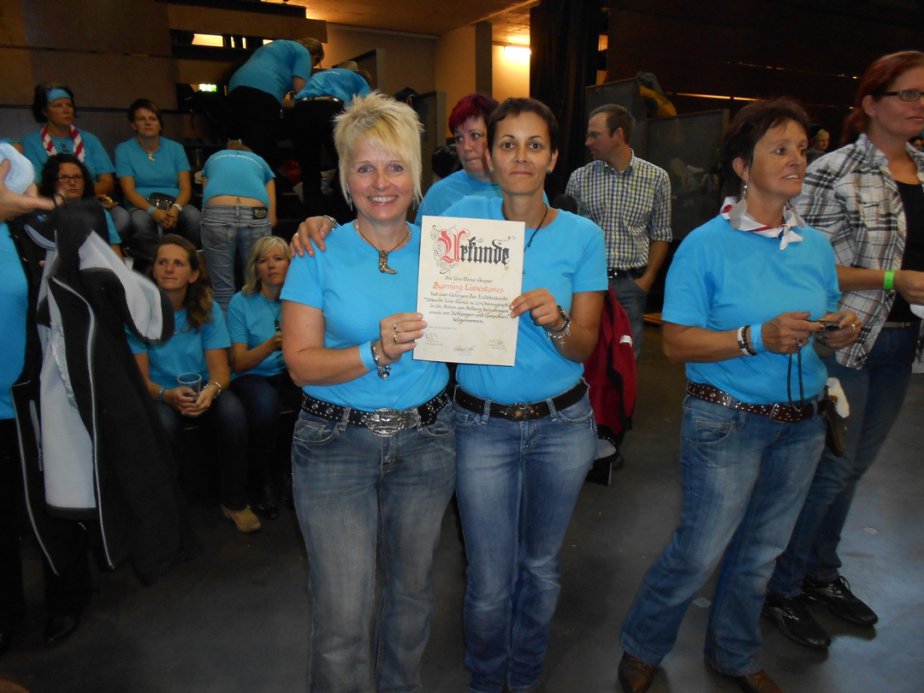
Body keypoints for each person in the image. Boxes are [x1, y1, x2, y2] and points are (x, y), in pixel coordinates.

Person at [616, 98, 859, 693]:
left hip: (802, 425)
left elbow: (819, 330)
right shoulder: (706, 245)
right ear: (743, 167)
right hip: (726, 422)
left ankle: (735, 652)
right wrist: (756, 337)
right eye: (780, 149)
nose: (797, 159)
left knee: (761, 554)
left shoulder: (815, 246)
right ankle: (643, 645)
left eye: (801, 148)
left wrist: (836, 332)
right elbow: (677, 344)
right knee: (698, 551)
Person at [281, 92, 455, 691]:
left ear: (416, 174)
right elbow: (299, 364)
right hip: (334, 444)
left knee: (412, 598)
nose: (382, 183)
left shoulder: (447, 252)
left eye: (396, 166)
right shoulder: (317, 249)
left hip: (428, 441)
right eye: (365, 168)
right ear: (344, 177)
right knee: (342, 615)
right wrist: (374, 352)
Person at [439, 97, 606, 693]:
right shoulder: (461, 220)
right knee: (488, 580)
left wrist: (557, 319)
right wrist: (322, 222)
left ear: (553, 158)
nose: (520, 156)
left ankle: (526, 674)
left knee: (540, 566)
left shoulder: (583, 236)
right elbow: (390, 236)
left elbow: (584, 346)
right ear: (488, 154)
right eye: (507, 143)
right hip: (480, 426)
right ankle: (487, 679)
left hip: (563, 427)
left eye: (535, 145)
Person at [764, 50, 924, 651]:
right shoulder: (832, 172)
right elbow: (807, 266)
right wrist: (891, 280)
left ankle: (819, 573)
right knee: (827, 471)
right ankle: (780, 587)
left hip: (902, 341)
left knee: (853, 469)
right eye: (907, 94)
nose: (919, 105)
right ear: (871, 103)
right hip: (845, 341)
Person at [128, 235, 259, 534]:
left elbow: (221, 374)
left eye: (178, 263)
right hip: (159, 392)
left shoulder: (207, 309)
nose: (169, 269)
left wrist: (210, 392)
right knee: (163, 425)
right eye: (163, 262)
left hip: (203, 388)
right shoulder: (137, 312)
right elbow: (140, 380)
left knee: (233, 413)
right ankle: (168, 509)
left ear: (193, 274)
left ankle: (235, 502)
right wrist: (167, 395)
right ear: (153, 270)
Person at [566, 103, 673, 358]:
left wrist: (646, 281)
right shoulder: (579, 178)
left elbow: (661, 234)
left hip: (630, 285)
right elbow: (566, 234)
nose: (588, 142)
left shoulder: (657, 178)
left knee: (625, 359)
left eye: (595, 135)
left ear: (618, 134)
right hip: (587, 284)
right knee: (584, 356)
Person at [227, 236, 300, 520]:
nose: (271, 265)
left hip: (289, 371)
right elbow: (239, 362)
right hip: (251, 375)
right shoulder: (240, 302)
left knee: (311, 398)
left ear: (290, 264)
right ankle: (263, 479)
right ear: (255, 269)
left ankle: (291, 473)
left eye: (278, 258)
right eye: (263, 260)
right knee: (266, 405)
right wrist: (270, 345)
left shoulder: (299, 298)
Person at [18, 82, 128, 234]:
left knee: (121, 217)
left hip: (91, 201)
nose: (66, 110)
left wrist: (82, 196)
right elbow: (36, 186)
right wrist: (69, 198)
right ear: (44, 111)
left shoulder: (90, 140)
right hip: (52, 204)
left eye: (69, 105)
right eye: (58, 106)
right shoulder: (30, 143)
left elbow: (107, 182)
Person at [115, 99, 201, 265]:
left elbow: (185, 187)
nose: (148, 123)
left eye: (153, 118)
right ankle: (153, 267)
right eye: (141, 119)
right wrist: (152, 210)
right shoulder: (124, 150)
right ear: (133, 125)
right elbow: (129, 191)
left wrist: (176, 209)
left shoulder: (175, 149)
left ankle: (190, 264)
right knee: (140, 221)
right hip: (141, 206)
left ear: (160, 124)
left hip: (175, 203)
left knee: (194, 217)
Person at [200, 142, 276, 310]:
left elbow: (205, 203)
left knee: (222, 290)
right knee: (256, 285)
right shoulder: (260, 162)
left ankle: (226, 325)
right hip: (255, 213)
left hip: (218, 212)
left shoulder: (213, 159)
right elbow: (272, 217)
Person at [292, 62, 371, 220]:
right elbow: (365, 109)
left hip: (301, 110)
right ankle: (343, 216)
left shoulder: (318, 75)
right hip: (330, 108)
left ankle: (314, 218)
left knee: (309, 170)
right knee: (345, 166)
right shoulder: (359, 79)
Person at [227, 38, 318, 169]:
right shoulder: (303, 52)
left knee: (241, 145)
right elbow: (300, 86)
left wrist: (292, 103)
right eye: (314, 64)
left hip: (235, 90)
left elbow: (272, 97)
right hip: (261, 97)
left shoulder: (272, 47)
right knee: (262, 148)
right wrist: (309, 103)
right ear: (314, 56)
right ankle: (262, 179)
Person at [414, 93, 500, 222]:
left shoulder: (522, 189)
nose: (466, 147)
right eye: (459, 138)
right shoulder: (439, 194)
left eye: (475, 136)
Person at [38, 153, 123, 256]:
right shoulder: (41, 215)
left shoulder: (99, 213)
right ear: (51, 181)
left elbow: (116, 256)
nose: (72, 182)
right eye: (64, 177)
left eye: (77, 177)